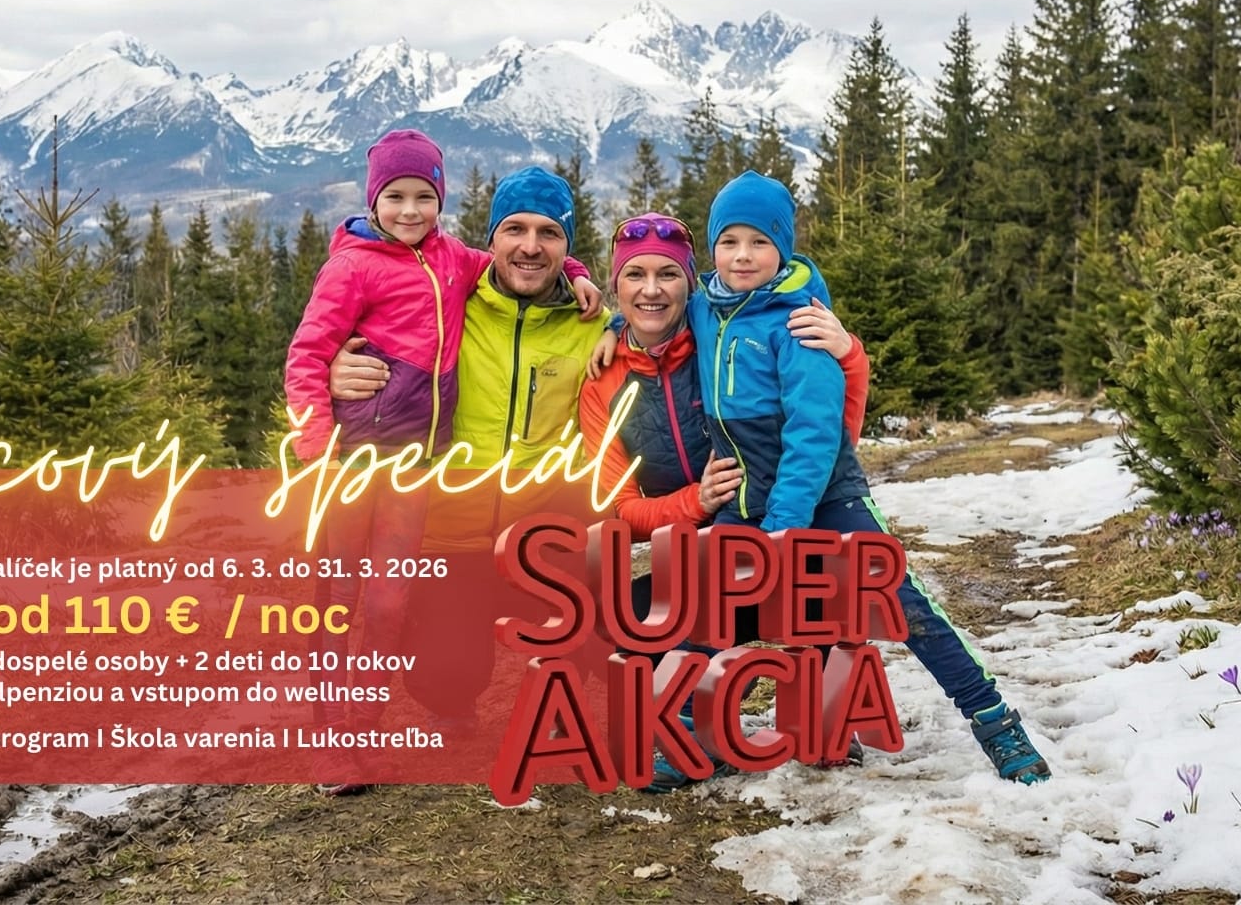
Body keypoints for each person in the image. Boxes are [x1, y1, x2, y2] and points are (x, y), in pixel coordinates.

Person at [666, 171, 1053, 786]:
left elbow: (815, 435)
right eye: (729, 240)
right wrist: (609, 328)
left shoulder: (802, 322)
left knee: (906, 608)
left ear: (783, 247)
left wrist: (786, 525)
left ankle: (995, 722)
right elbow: (647, 325)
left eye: (759, 242)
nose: (743, 255)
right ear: (711, 246)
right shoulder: (704, 308)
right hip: (750, 495)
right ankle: (683, 735)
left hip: (827, 496)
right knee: (707, 605)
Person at [284, 131, 601, 795]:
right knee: (342, 601)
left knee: (387, 602)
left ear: (441, 201)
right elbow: (307, 355)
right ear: (372, 200)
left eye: (423, 196)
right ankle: (330, 744)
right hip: (357, 468)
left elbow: (518, 258)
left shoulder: (455, 263)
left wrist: (575, 274)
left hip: (440, 484)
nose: (408, 210)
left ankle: (364, 732)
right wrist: (317, 442)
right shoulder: (365, 269)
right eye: (394, 196)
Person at [580, 210, 871, 790]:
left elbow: (827, 429)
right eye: (634, 276)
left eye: (669, 274)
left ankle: (824, 709)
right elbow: (618, 507)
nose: (652, 290)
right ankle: (696, 726)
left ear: (692, 284)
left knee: (818, 575)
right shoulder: (604, 380)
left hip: (769, 524)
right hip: (689, 550)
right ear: (616, 285)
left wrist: (851, 354)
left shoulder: (720, 341)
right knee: (626, 625)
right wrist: (694, 502)